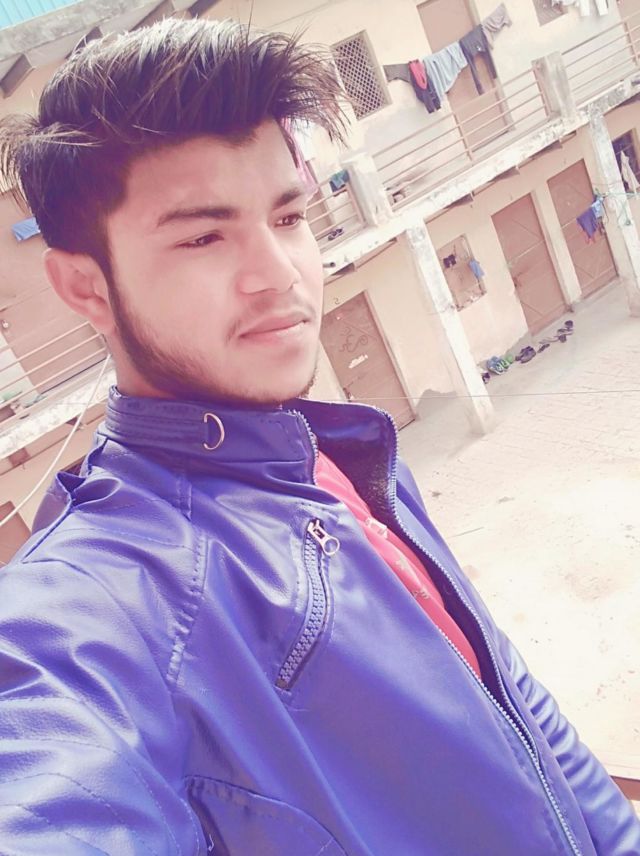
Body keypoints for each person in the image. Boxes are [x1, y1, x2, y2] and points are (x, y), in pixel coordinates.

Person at [0, 17, 637, 856]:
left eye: (290, 215)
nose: (279, 275)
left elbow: (510, 700)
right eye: (203, 236)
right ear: (85, 288)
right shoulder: (104, 600)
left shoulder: (343, 455)